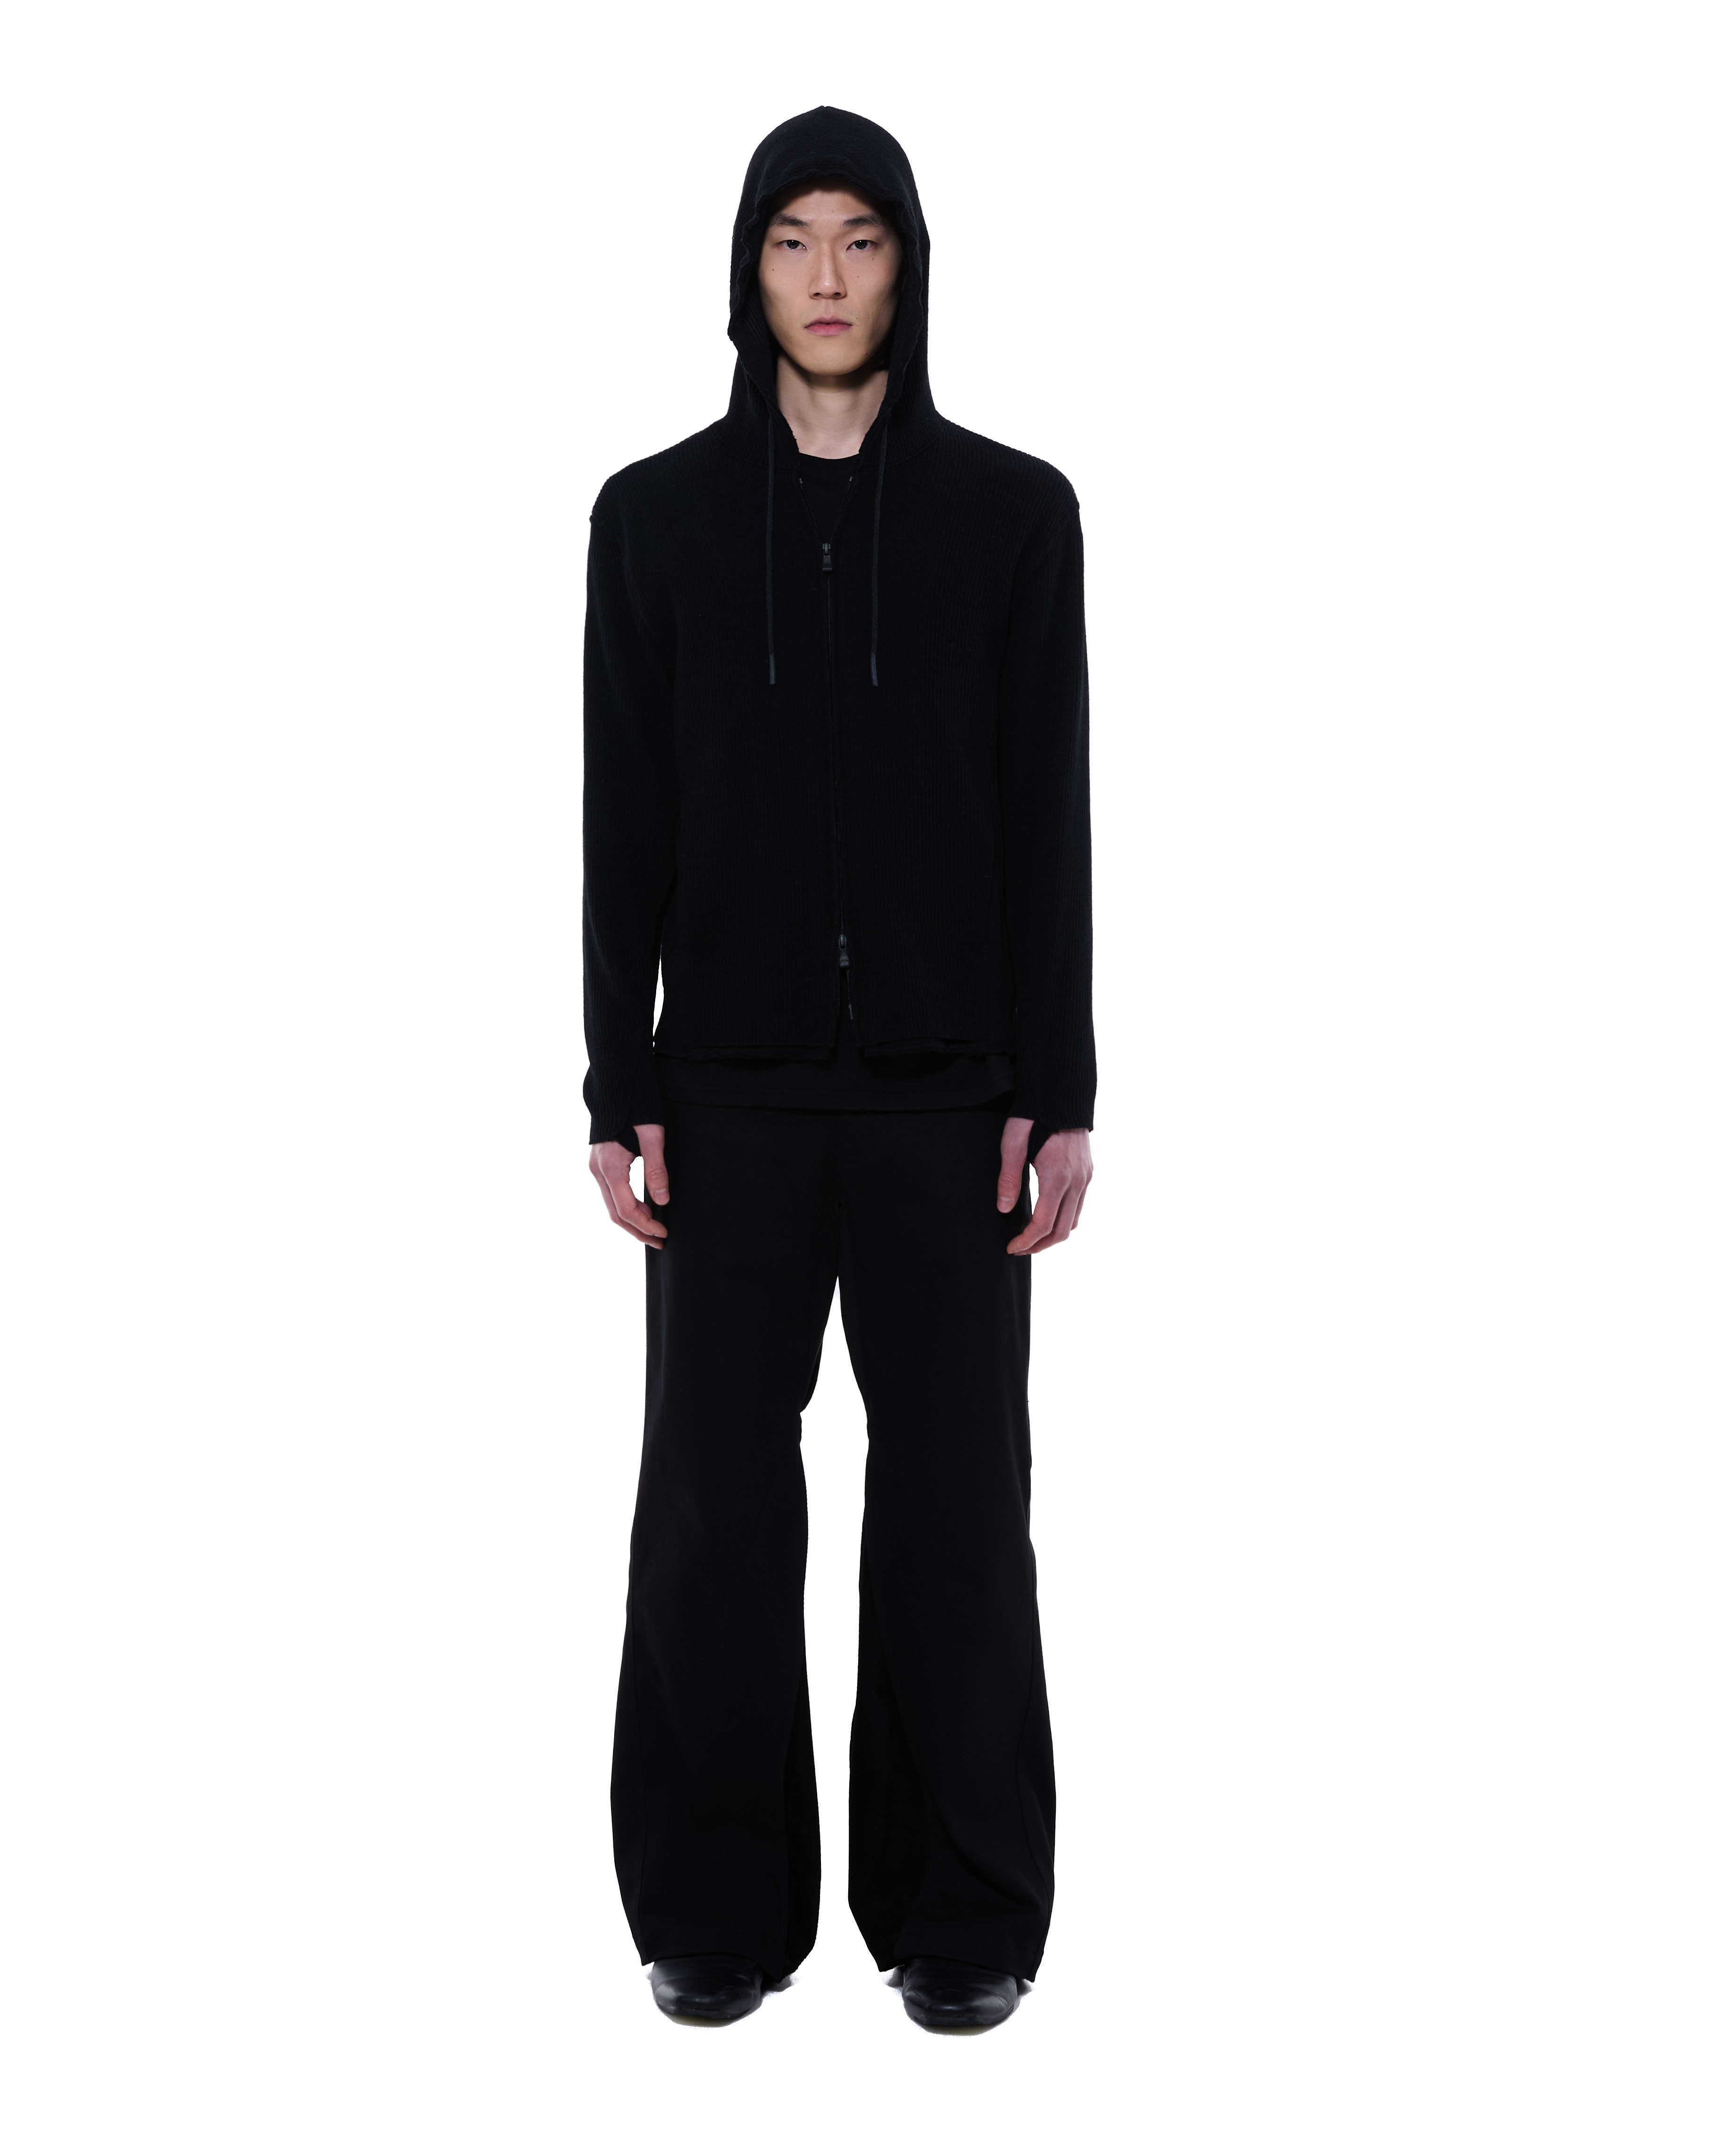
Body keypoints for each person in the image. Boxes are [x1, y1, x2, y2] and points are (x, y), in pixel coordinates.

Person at [582, 105, 1094, 2033]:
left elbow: (1045, 811)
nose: (823, 277)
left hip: (953, 1100)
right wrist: (613, 1076)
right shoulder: (653, 520)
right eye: (790, 240)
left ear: (906, 267)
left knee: (956, 1504)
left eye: (858, 240)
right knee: (713, 1507)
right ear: (748, 269)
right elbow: (622, 813)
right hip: (721, 1094)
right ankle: (714, 1907)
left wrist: (1061, 1086)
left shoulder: (1011, 515)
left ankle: (961, 1913)